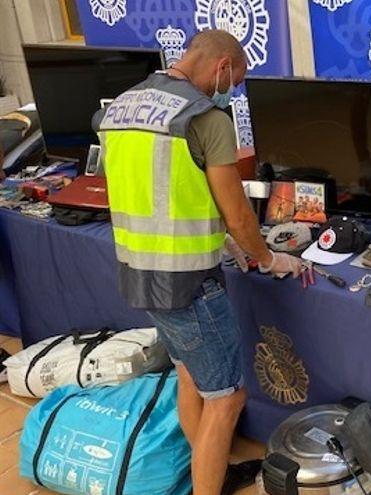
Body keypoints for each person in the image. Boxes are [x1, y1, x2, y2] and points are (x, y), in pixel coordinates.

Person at [93, 30, 301, 495]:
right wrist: (268, 258)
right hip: (188, 283)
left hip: (138, 272)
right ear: (222, 66)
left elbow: (162, 189)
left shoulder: (122, 105)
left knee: (190, 374)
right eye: (237, 80)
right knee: (228, 398)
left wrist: (221, 240)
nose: (233, 90)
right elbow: (238, 212)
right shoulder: (204, 117)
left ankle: (211, 473)